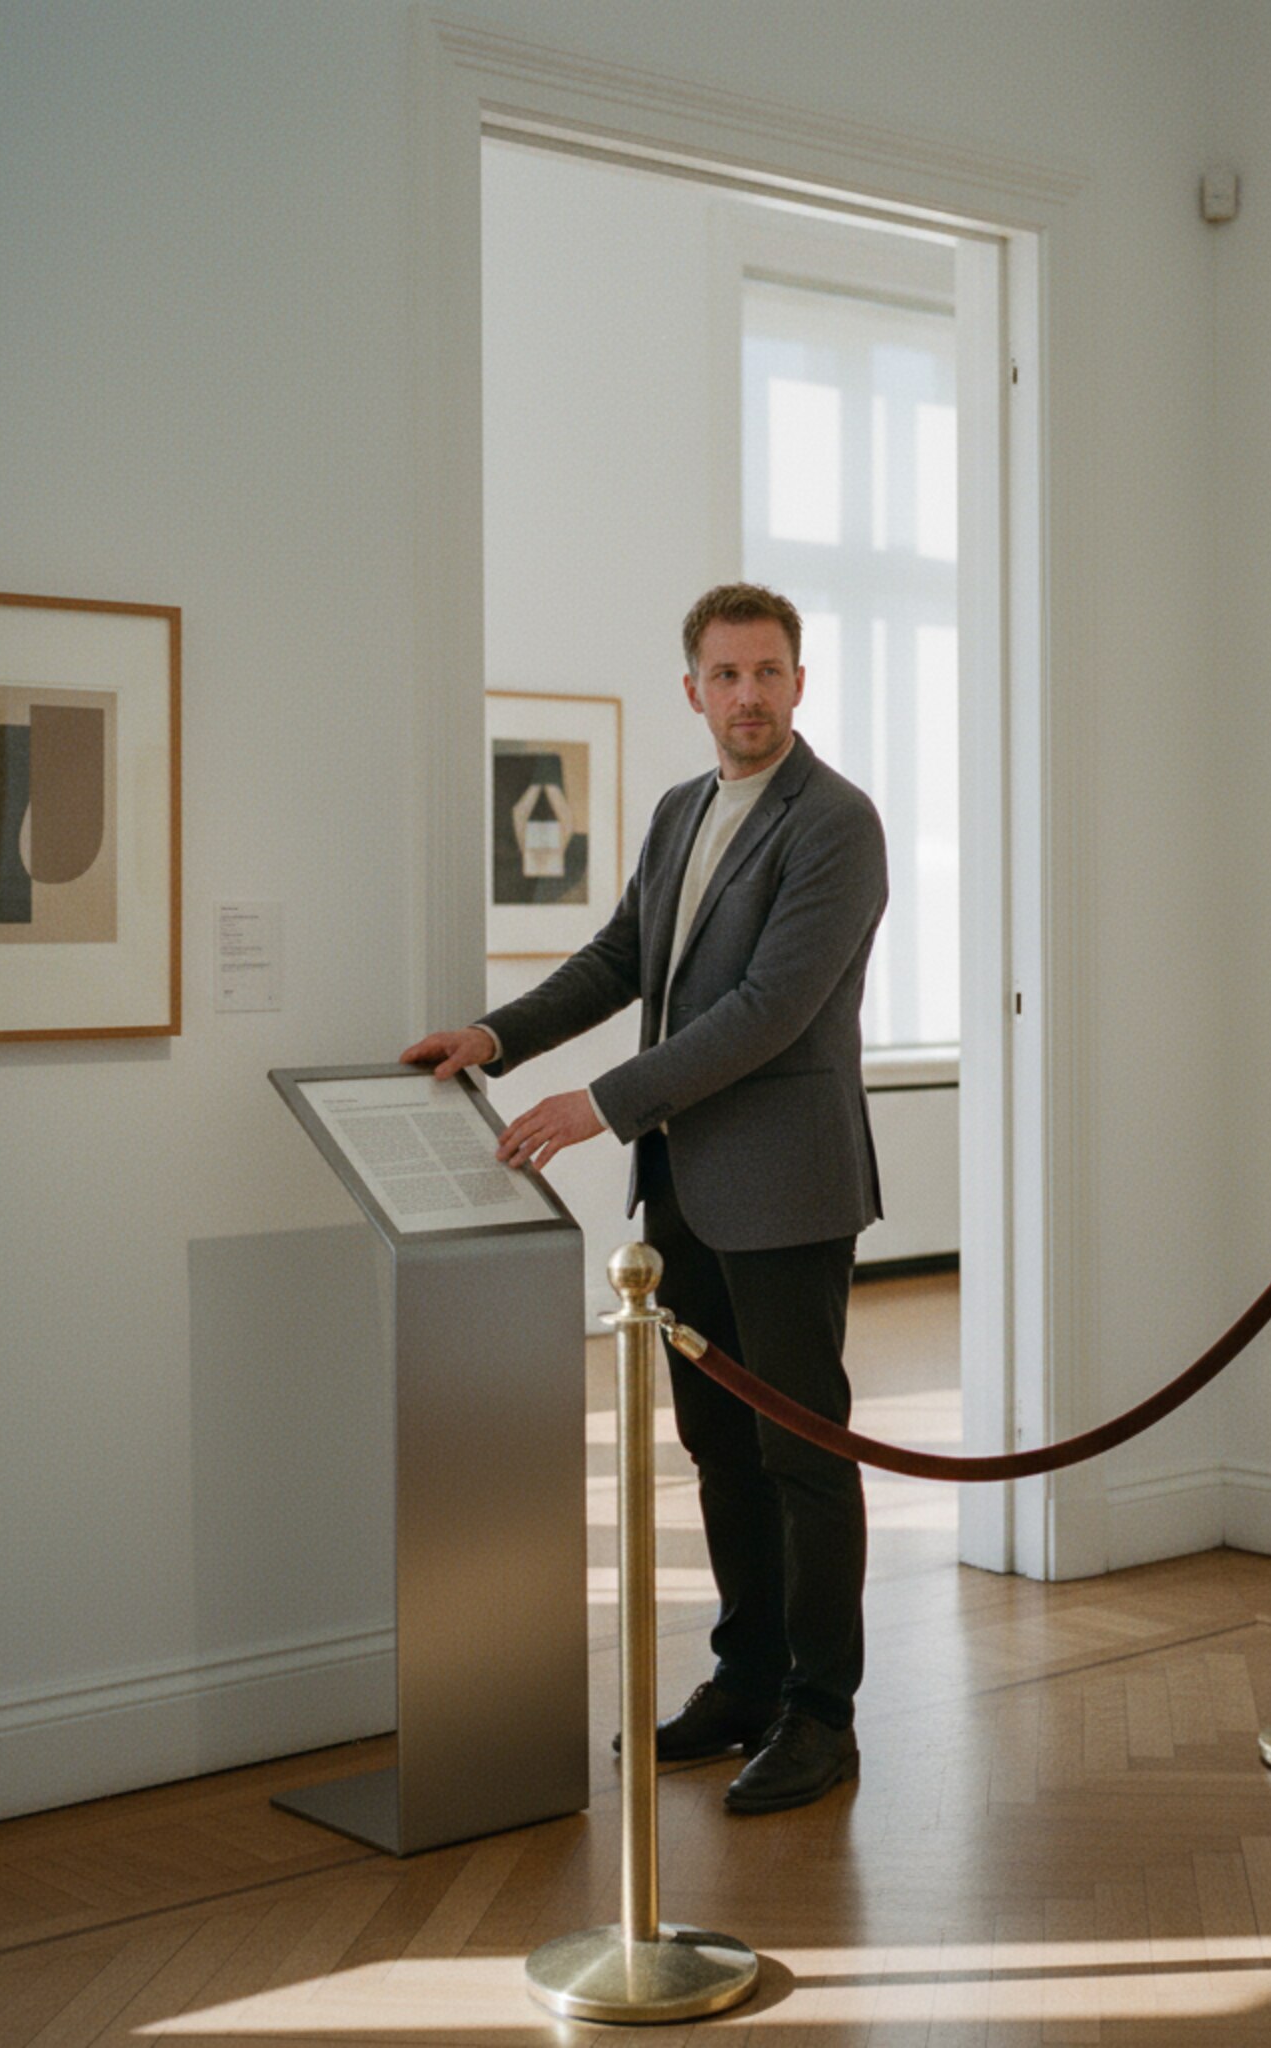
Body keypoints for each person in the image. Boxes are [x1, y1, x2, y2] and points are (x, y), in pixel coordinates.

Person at [401, 582, 887, 1814]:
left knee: (803, 1454)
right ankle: (745, 1678)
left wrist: (597, 1103)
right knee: (718, 1449)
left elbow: (768, 1008)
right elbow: (624, 957)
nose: (747, 696)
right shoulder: (681, 811)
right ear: (692, 690)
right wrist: (494, 1035)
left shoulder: (836, 821)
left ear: (798, 682)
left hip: (786, 1188)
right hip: (682, 1188)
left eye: (769, 672)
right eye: (725, 675)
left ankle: (820, 1715)